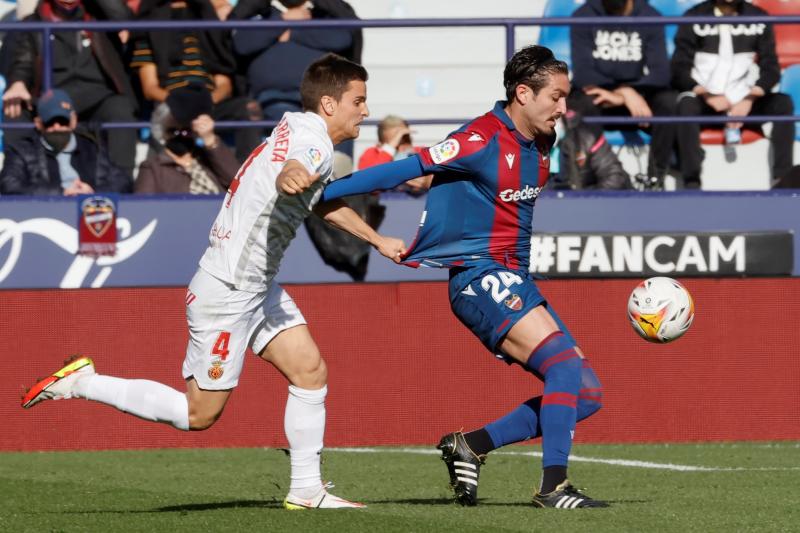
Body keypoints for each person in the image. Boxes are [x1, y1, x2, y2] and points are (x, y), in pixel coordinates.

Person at [21, 53, 406, 509]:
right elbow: (295, 171)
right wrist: (291, 176)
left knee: (310, 371)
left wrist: (376, 239)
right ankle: (82, 382)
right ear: (328, 103)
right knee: (198, 414)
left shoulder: (299, 126)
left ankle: (306, 489)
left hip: (255, 286)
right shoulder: (314, 146)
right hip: (228, 291)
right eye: (358, 100)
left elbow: (314, 199)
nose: (365, 110)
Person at [318, 45, 608, 508]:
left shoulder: (544, 142)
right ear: (522, 93)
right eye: (555, 97)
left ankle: (470, 445)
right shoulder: (479, 139)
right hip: (477, 276)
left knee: (585, 392)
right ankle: (553, 486)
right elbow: (406, 169)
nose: (563, 108)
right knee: (565, 367)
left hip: (514, 276)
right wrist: (327, 190)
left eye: (565, 97)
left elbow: (515, 215)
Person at [2, 0, 139, 177]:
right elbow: (23, 59)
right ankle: (22, 185)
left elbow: (123, 17)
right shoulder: (34, 23)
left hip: (96, 98)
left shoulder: (99, 18)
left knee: (120, 109)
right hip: (51, 98)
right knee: (14, 110)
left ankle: (120, 187)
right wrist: (18, 82)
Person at [671, 0, 795, 189]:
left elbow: (771, 68)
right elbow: (679, 67)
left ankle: (784, 182)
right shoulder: (694, 16)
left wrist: (749, 98)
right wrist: (707, 95)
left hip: (746, 102)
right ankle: (691, 183)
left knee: (783, 104)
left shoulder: (758, 17)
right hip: (707, 101)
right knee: (685, 106)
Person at [132, 0, 263, 162]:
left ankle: (247, 172)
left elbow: (224, 84)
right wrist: (179, 102)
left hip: (209, 102)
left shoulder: (208, 24)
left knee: (248, 109)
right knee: (163, 123)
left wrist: (206, 101)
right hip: (171, 103)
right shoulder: (150, 27)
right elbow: (150, 88)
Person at [569, 0, 678, 188]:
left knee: (669, 102)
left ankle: (656, 179)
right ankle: (598, 178)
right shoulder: (583, 15)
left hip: (637, 100)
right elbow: (583, 74)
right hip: (600, 97)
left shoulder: (649, 16)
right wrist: (624, 93)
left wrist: (629, 93)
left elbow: (661, 74)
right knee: (578, 103)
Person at [230, 0, 359, 125]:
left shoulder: (326, 11)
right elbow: (242, 44)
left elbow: (342, 39)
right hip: (273, 98)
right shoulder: (257, 10)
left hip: (321, 97)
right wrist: (283, 20)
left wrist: (292, 31)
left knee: (340, 119)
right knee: (288, 120)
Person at [0, 89, 132, 195]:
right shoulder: (21, 151)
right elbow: (8, 185)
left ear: (73, 121)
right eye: (50, 122)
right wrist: (61, 194)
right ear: (38, 123)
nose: (57, 127)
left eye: (63, 121)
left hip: (89, 213)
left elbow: (123, 182)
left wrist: (93, 193)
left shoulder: (94, 148)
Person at [135, 86, 241, 194]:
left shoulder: (209, 159)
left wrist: (210, 140)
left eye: (187, 131)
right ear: (162, 132)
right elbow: (143, 206)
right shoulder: (153, 168)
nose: (181, 135)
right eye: (173, 131)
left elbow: (239, 184)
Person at [551, 110, 632, 190]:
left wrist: (581, 199)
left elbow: (614, 178)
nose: (561, 106)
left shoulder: (588, 135)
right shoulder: (539, 142)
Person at [357, 114, 433, 195]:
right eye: (396, 141)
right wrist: (390, 149)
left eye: (405, 138)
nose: (401, 147)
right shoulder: (371, 153)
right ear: (382, 142)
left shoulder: (421, 152)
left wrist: (427, 182)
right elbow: (371, 182)